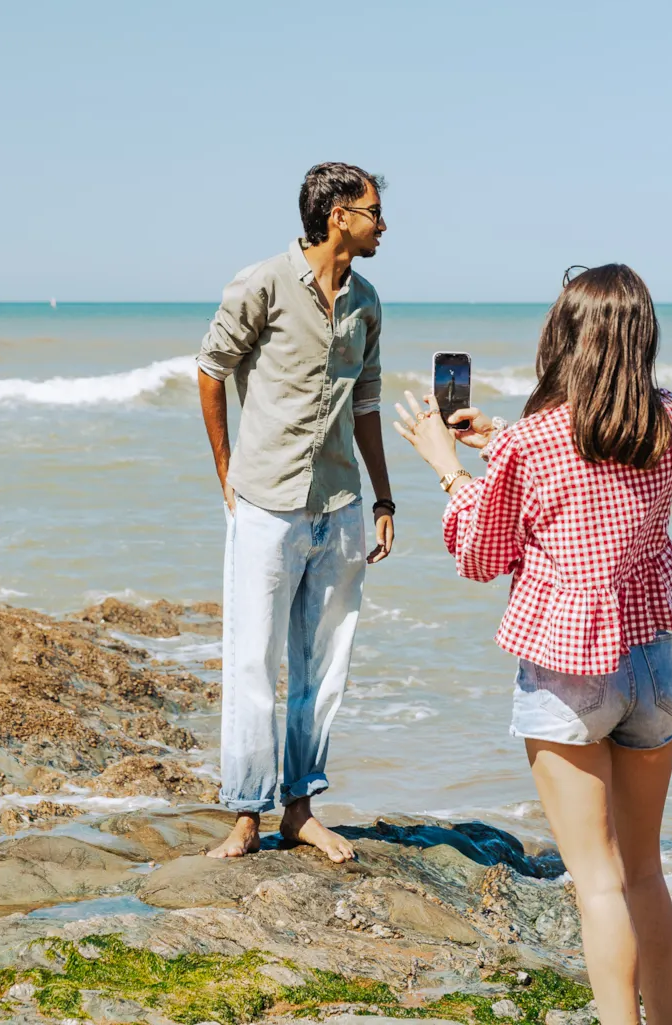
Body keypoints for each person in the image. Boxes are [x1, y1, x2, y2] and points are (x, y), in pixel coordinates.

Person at [394, 265, 672, 1025]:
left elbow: (481, 551)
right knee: (645, 872)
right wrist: (503, 444)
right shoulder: (671, 420)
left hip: (569, 673)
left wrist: (449, 469)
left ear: (567, 337)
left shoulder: (535, 440)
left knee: (596, 881)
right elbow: (594, 481)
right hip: (651, 660)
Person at [197, 161, 395, 862]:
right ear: (339, 214)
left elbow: (366, 405)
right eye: (374, 211)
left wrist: (382, 496)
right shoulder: (263, 283)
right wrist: (227, 470)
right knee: (253, 659)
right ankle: (245, 812)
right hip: (266, 504)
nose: (385, 224)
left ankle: (300, 809)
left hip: (338, 505)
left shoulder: (368, 302)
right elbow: (211, 367)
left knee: (323, 664)